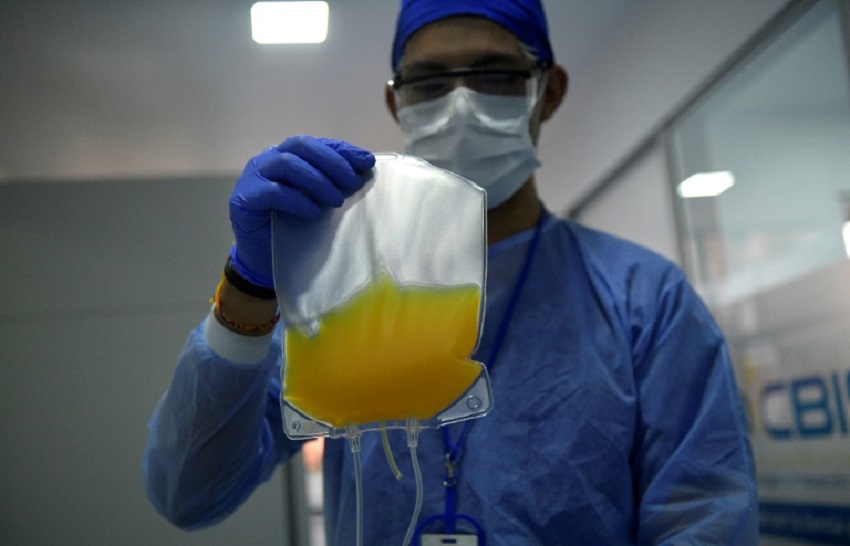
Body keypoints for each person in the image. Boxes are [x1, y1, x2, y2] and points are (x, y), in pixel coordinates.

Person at [143, 1, 759, 544]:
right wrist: (250, 289)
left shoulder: (644, 301)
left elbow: (704, 518)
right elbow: (188, 493)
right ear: (397, 101)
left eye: (495, 75)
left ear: (549, 90)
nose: (461, 104)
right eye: (430, 81)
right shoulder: (337, 287)